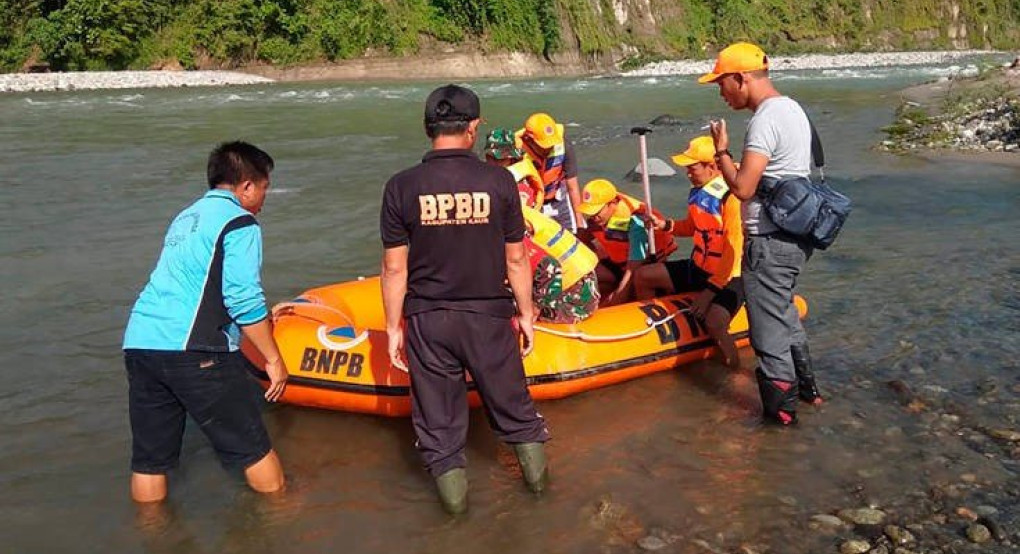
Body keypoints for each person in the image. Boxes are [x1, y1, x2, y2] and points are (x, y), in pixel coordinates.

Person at [380, 85, 551, 515]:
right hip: (489, 318)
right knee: (516, 413)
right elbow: (516, 259)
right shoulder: (499, 182)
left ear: (427, 127)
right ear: (473, 128)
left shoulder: (400, 187)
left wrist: (392, 327)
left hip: (429, 320)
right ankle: (544, 504)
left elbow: (394, 269)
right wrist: (527, 315)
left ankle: (456, 524)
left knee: (439, 431)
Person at [122, 141, 288, 503]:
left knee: (150, 461)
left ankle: (155, 534)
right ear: (246, 185)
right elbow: (242, 298)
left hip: (140, 343)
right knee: (253, 448)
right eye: (264, 187)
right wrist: (274, 360)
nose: (264, 197)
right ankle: (282, 519)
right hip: (195, 349)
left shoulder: (186, 217)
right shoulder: (241, 222)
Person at [700, 42, 823, 425]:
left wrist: (722, 153)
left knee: (768, 335)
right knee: (784, 315)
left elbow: (743, 188)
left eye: (722, 83)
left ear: (742, 78)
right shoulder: (794, 109)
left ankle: (781, 422)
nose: (721, 92)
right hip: (795, 236)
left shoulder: (765, 119)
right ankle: (809, 394)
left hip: (769, 241)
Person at [634, 136, 745, 369]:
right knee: (644, 276)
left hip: (729, 276)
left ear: (713, 166)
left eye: (692, 168)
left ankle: (734, 371)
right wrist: (666, 225)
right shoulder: (700, 191)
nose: (687, 173)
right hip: (699, 267)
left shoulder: (732, 198)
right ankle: (652, 339)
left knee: (714, 323)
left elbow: (733, 249)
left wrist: (709, 292)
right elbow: (694, 227)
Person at [485, 128, 601, 323]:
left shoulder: (517, 210)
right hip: (571, 279)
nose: (493, 164)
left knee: (502, 305)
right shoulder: (512, 196)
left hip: (577, 295)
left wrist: (530, 313)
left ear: (512, 158)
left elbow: (549, 267)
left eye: (499, 159)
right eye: (490, 158)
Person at [577, 179, 677, 306]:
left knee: (639, 279)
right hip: (619, 264)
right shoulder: (598, 219)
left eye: (596, 212)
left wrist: (615, 298)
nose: (593, 217)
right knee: (590, 272)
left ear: (612, 203)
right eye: (590, 213)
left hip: (642, 266)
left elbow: (633, 268)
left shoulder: (635, 222)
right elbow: (583, 238)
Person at [515, 113, 584, 232]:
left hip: (559, 199)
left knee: (576, 235)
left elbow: (572, 186)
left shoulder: (564, 145)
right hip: (532, 206)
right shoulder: (516, 151)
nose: (549, 148)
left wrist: (579, 222)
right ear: (529, 139)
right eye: (544, 145)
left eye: (551, 144)